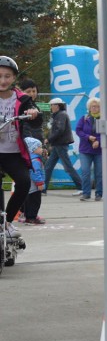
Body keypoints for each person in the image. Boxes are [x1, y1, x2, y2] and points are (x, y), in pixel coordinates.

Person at [0, 57, 42, 237]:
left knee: (24, 183)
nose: (3, 81)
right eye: (0, 76)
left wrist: (34, 113)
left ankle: (6, 222)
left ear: (14, 78)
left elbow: (37, 119)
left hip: (13, 153)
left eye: (7, 76)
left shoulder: (22, 98)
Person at [43, 97, 84, 194]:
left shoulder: (61, 115)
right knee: (48, 166)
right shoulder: (59, 115)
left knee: (68, 167)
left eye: (51, 105)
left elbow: (59, 130)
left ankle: (82, 187)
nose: (50, 107)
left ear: (56, 106)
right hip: (58, 145)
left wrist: (48, 139)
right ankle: (43, 189)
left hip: (60, 144)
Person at [75, 98, 103, 202]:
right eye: (93, 106)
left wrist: (98, 141)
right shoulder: (84, 118)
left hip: (99, 150)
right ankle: (86, 193)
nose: (95, 108)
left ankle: (99, 193)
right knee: (85, 171)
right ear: (89, 108)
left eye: (97, 106)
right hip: (85, 150)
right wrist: (88, 137)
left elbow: (105, 133)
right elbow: (78, 130)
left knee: (99, 173)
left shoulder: (103, 119)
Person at [22, 137, 46, 224]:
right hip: (35, 187)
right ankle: (32, 217)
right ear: (32, 149)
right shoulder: (35, 160)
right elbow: (35, 172)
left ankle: (28, 217)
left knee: (29, 202)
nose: (41, 149)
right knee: (35, 202)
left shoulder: (31, 159)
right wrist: (39, 183)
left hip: (30, 187)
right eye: (39, 147)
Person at [17, 78, 45, 142]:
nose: (32, 94)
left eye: (34, 91)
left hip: (35, 141)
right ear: (21, 92)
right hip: (27, 142)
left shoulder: (35, 106)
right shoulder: (22, 106)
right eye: (28, 91)